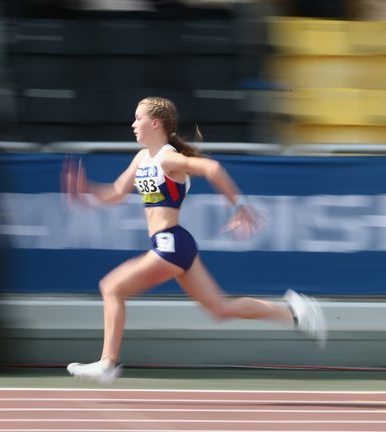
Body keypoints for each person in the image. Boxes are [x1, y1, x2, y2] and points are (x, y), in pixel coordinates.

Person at [62, 96, 327, 385]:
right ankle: (295, 313)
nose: (133, 124)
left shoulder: (166, 157)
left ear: (155, 123)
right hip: (176, 245)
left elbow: (212, 169)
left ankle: (108, 363)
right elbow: (115, 192)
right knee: (220, 309)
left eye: (138, 118)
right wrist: (86, 192)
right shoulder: (141, 159)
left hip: (170, 244)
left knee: (111, 287)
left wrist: (239, 207)